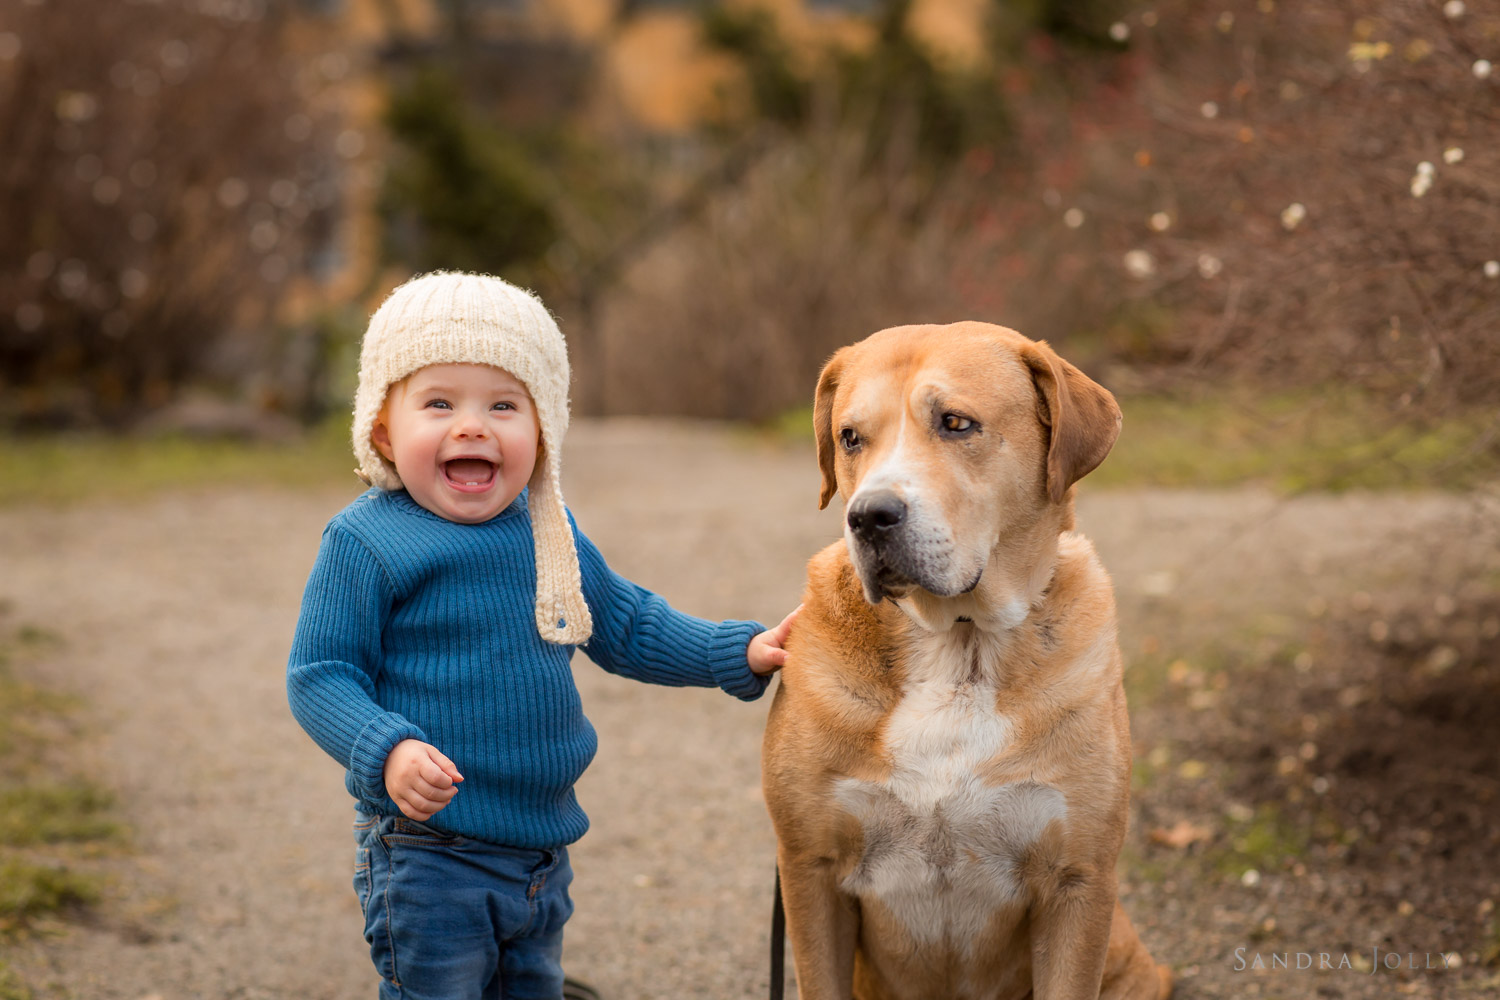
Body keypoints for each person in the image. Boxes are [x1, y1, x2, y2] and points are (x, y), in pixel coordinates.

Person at [286, 271, 796, 1000]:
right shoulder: (367, 541)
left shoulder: (549, 534)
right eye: (438, 403)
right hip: (428, 853)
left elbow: (625, 624)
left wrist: (735, 651)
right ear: (382, 431)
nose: (472, 426)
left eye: (503, 405)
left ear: (543, 431)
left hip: (539, 852)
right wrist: (385, 748)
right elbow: (320, 673)